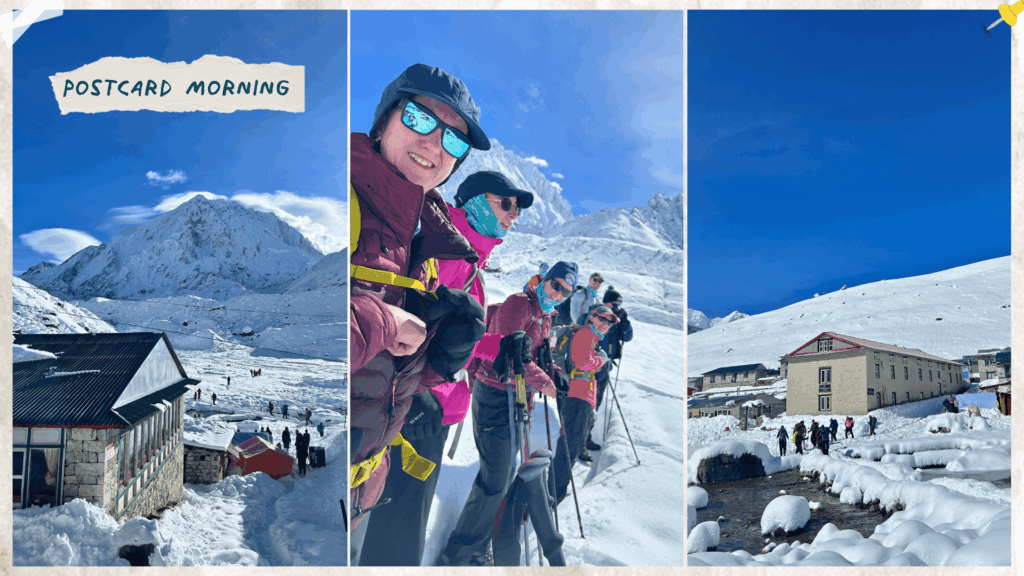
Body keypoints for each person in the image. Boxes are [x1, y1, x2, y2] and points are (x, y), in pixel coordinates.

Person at [360, 170, 533, 567]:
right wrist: (416, 393)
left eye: (518, 210)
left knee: (407, 520)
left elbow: (454, 339)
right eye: (505, 204)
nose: (513, 216)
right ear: (473, 202)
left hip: (437, 405)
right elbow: (406, 322)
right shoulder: (447, 253)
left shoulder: (469, 256)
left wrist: (500, 344)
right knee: (399, 528)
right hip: (420, 408)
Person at [350, 63, 490, 532]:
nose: (434, 144)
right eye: (420, 119)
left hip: (364, 478)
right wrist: (386, 322)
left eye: (454, 140)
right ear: (385, 118)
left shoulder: (422, 240)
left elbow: (380, 368)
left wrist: (432, 362)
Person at [436, 262, 575, 567]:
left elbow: (534, 356)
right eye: (556, 286)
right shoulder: (519, 305)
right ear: (544, 280)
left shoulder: (544, 316)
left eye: (566, 293)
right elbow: (511, 356)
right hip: (496, 396)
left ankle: (479, 545)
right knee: (494, 480)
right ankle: (457, 555)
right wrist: (549, 385)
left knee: (501, 475)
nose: (559, 295)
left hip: (517, 399)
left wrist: (555, 371)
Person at [552, 305, 617, 495]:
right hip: (577, 395)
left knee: (571, 444)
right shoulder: (586, 334)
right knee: (569, 446)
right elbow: (582, 362)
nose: (606, 324)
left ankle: (557, 486)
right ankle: (555, 490)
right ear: (592, 317)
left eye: (609, 321)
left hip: (581, 394)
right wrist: (601, 359)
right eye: (602, 319)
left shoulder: (591, 337)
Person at [581, 288, 633, 460]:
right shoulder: (595, 314)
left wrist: (625, 322)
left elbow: (628, 337)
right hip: (589, 367)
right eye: (614, 303)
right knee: (585, 404)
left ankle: (585, 438)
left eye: (619, 304)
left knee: (595, 404)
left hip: (605, 368)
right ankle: (579, 442)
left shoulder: (614, 320)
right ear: (606, 302)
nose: (617, 307)